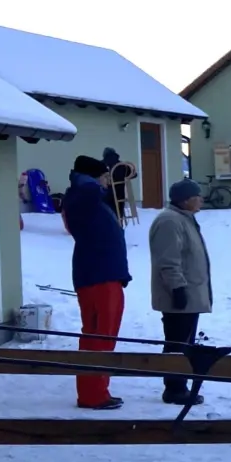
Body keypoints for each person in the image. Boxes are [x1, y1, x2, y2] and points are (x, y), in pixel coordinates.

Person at [64, 155, 130, 410]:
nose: (106, 182)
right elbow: (91, 190)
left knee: (102, 335)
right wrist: (96, 178)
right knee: (99, 336)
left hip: (102, 274)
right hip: (98, 276)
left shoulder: (86, 196)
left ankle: (97, 389)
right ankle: (92, 394)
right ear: (92, 177)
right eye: (103, 177)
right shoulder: (84, 194)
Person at [149, 179, 213, 405]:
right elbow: (168, 261)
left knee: (184, 344)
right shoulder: (170, 221)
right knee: (177, 344)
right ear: (185, 200)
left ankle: (179, 385)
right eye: (197, 196)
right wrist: (177, 288)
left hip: (189, 294)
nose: (201, 200)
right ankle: (174, 389)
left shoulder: (183, 219)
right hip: (179, 295)